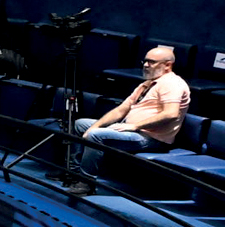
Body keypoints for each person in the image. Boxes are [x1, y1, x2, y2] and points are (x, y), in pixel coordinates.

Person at [75, 46, 190, 177]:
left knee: (95, 135)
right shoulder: (147, 84)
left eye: (151, 62)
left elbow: (171, 113)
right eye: (145, 61)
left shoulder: (172, 84)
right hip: (130, 130)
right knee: (81, 124)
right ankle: (72, 171)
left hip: (150, 138)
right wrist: (94, 126)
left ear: (168, 65)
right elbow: (121, 110)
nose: (146, 65)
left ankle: (85, 181)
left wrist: (135, 126)